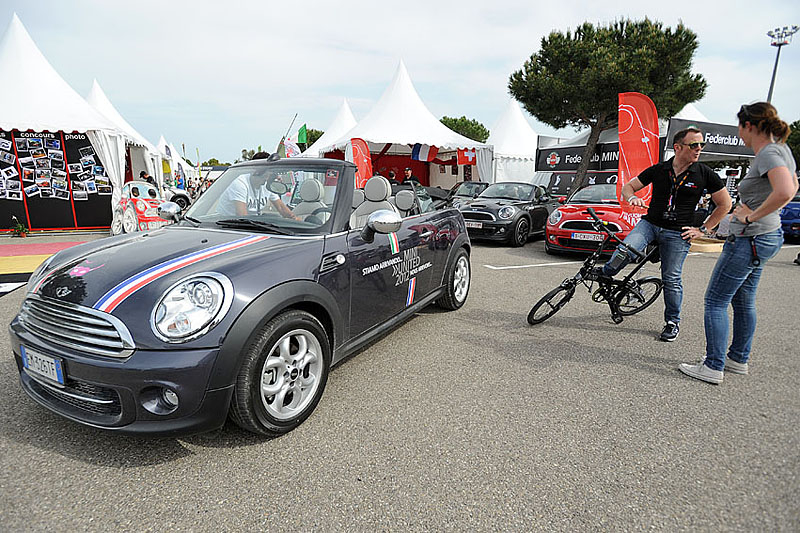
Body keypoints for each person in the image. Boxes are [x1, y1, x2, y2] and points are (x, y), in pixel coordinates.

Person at [680, 102, 798, 384]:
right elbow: (793, 186)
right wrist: (762, 214)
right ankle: (737, 359)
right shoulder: (781, 149)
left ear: (749, 126)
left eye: (739, 127)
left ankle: (713, 366)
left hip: (750, 238)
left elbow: (785, 190)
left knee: (715, 301)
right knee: (744, 300)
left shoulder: (769, 152)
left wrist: (750, 216)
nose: (739, 133)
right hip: (766, 236)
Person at [594, 127, 732, 341]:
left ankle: (672, 322)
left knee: (671, 279)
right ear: (678, 147)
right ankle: (607, 273)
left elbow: (725, 204)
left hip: (678, 233)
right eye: (694, 145)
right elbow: (628, 187)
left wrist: (703, 229)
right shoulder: (660, 169)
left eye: (701, 145)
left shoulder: (705, 173)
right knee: (624, 250)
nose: (699, 149)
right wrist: (632, 198)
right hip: (650, 224)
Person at [217, 152, 298, 219]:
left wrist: (295, 219)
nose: (267, 178)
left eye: (268, 175)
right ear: (256, 171)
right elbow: (242, 216)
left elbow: (281, 208)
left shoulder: (266, 184)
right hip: (229, 224)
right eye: (265, 175)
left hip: (251, 223)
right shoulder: (239, 184)